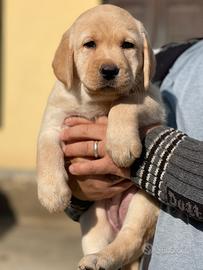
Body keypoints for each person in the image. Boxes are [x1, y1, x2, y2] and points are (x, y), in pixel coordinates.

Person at [61, 39, 203, 269]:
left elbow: (135, 147)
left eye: (126, 44)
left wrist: (152, 156)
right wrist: (78, 186)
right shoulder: (169, 55)